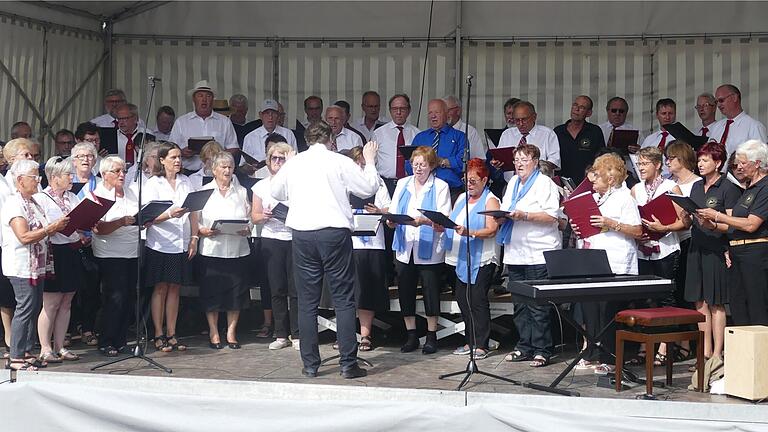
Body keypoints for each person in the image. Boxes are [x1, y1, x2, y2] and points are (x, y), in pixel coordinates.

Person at [270, 121, 379, 379]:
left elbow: (276, 190)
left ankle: (310, 364)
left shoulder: (295, 163)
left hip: (303, 232)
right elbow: (368, 188)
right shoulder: (339, 161)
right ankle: (347, 364)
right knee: (343, 299)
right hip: (333, 232)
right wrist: (370, 161)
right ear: (331, 139)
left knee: (307, 301)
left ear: (307, 140)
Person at [571, 153, 643, 373]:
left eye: (597, 176)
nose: (592, 180)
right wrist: (579, 229)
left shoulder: (625, 198)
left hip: (616, 263)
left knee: (608, 312)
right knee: (591, 309)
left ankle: (610, 358)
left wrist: (611, 223)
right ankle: (592, 352)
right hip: (594, 260)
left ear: (610, 178)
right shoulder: (596, 198)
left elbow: (638, 230)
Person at [497, 144, 561, 367]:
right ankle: (524, 346)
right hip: (515, 251)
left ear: (535, 161)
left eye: (524, 159)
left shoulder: (545, 183)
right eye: (516, 160)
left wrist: (524, 215)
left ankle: (543, 349)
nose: (519, 164)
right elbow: (507, 209)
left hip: (538, 251)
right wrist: (501, 217)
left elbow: (552, 217)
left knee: (538, 305)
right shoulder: (513, 182)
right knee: (520, 304)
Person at [1, 159, 69, 370]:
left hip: (37, 265)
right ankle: (16, 357)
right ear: (20, 180)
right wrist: (51, 228)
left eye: (38, 177)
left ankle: (28, 350)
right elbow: (24, 236)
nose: (38, 181)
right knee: (24, 308)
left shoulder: (34, 202)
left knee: (33, 308)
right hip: (22, 266)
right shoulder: (14, 203)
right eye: (34, 177)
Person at [387, 146, 451, 355]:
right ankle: (411, 335)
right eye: (415, 164)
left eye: (423, 164)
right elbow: (394, 211)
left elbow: (444, 219)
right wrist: (391, 221)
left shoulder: (440, 186)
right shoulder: (403, 184)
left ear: (431, 166)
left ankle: (431, 336)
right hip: (405, 246)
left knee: (430, 292)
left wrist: (424, 221)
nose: (418, 168)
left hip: (429, 247)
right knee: (405, 291)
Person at [631, 146, 690, 365]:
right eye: (639, 164)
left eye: (645, 164)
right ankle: (644, 345)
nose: (641, 168)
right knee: (644, 298)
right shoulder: (635, 188)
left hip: (665, 248)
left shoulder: (670, 187)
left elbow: (685, 221)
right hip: (642, 249)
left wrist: (662, 225)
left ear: (657, 165)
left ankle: (666, 346)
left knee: (665, 298)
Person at [698, 140, 768, 326]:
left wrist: (718, 216)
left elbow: (751, 225)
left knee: (756, 305)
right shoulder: (747, 189)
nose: (739, 167)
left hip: (755, 252)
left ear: (758, 163)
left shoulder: (765, 187)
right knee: (737, 305)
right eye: (738, 163)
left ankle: (760, 352)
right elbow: (735, 225)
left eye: (744, 163)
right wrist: (711, 225)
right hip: (737, 253)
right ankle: (742, 351)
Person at [684, 142, 740, 361]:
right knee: (699, 301)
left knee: (716, 301)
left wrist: (713, 224)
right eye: (699, 160)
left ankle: (718, 353)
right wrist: (686, 217)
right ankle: (704, 351)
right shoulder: (697, 186)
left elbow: (733, 224)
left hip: (716, 249)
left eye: (705, 160)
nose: (700, 164)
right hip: (696, 246)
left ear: (718, 163)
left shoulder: (728, 188)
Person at [143, 142, 199, 352]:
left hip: (180, 241)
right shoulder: (153, 184)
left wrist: (194, 237)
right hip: (160, 242)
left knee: (175, 288)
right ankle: (158, 333)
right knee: (160, 288)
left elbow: (194, 211)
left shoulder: (186, 181)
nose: (177, 161)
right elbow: (147, 216)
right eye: (173, 157)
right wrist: (169, 214)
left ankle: (172, 332)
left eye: (179, 157)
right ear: (162, 160)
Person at [444, 159, 500, 359]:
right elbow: (452, 221)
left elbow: (492, 229)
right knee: (463, 299)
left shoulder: (490, 200)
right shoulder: (461, 199)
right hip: (461, 256)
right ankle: (470, 341)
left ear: (485, 180)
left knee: (477, 299)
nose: (469, 184)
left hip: (482, 256)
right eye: (467, 180)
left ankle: (481, 344)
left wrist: (471, 232)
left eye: (474, 181)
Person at [197, 152, 251, 350]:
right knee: (212, 293)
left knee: (236, 293)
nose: (227, 170)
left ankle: (231, 332)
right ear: (214, 170)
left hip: (237, 249)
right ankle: (213, 331)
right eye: (223, 167)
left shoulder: (242, 191)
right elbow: (197, 219)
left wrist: (248, 227)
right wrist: (202, 230)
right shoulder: (203, 191)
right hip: (212, 249)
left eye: (230, 167)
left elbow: (249, 216)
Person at [34, 157, 85, 363]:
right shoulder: (41, 198)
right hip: (53, 252)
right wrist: (57, 224)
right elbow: (41, 226)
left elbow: (81, 219)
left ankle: (60, 345)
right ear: (54, 178)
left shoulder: (73, 197)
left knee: (66, 301)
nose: (71, 178)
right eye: (67, 174)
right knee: (51, 302)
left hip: (71, 250)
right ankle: (45, 347)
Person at [90, 156, 140, 356]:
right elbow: (98, 229)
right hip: (110, 254)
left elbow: (138, 217)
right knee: (114, 298)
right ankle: (106, 339)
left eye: (124, 171)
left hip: (132, 250)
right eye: (117, 171)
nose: (122, 175)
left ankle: (120, 339)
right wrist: (120, 222)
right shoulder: (98, 196)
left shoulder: (131, 193)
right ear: (104, 174)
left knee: (128, 296)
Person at [343, 146, 391, 351]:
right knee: (348, 291)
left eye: (363, 163)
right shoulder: (344, 182)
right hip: (350, 242)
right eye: (357, 163)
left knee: (367, 291)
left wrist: (378, 210)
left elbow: (389, 208)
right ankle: (345, 334)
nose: (360, 166)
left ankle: (365, 334)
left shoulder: (377, 181)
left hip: (373, 243)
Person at [252, 142, 299, 351]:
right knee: (277, 287)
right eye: (274, 158)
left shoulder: (298, 183)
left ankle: (298, 334)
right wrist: (264, 216)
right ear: (268, 161)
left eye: (282, 158)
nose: (278, 162)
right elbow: (254, 216)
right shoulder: (261, 186)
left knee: (296, 288)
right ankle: (281, 334)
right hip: (271, 238)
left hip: (294, 238)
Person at [68, 142, 101, 347]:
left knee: (91, 289)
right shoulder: (66, 182)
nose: (85, 159)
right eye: (80, 156)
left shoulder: (100, 183)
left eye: (89, 156)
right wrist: (77, 232)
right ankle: (70, 328)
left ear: (95, 160)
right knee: (70, 290)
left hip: (95, 242)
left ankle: (88, 327)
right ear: (73, 161)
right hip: (71, 242)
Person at [168, 80, 239, 172]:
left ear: (213, 99)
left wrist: (219, 156)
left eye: (208, 96)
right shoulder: (181, 122)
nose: (204, 99)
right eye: (200, 96)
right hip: (188, 172)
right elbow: (170, 148)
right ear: (194, 99)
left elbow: (233, 147)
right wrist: (181, 152)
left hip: (216, 172)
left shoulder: (224, 122)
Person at [408, 99, 466, 198]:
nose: (433, 116)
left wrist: (441, 161)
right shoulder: (420, 137)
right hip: (422, 190)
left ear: (447, 114)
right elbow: (408, 162)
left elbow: (463, 162)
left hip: (451, 190)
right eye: (430, 112)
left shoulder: (459, 136)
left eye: (437, 112)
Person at [496, 101, 560, 181]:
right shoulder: (507, 134)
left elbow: (554, 161)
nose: (521, 123)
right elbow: (499, 157)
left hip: (539, 184)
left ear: (534, 117)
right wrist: (497, 162)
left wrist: (534, 165)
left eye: (524, 119)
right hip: (511, 184)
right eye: (517, 120)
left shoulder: (547, 134)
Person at [371, 94, 420, 195]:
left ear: (409, 111)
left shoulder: (417, 134)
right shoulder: (378, 133)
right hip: (385, 184)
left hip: (409, 183)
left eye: (402, 109)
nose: (398, 112)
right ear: (390, 111)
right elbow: (372, 161)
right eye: (394, 109)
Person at [554, 95, 606, 185]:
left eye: (582, 107)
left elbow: (602, 157)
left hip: (587, 182)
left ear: (589, 113)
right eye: (575, 105)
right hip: (562, 182)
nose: (576, 109)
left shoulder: (595, 131)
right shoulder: (558, 131)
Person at [708, 84, 767, 155]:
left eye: (721, 100)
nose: (719, 105)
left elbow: (762, 159)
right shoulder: (717, 127)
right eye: (716, 102)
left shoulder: (754, 127)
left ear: (734, 97)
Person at [115, 103, 155, 167]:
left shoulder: (146, 133)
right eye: (119, 119)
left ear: (135, 119)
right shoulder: (113, 136)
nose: (121, 122)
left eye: (125, 118)